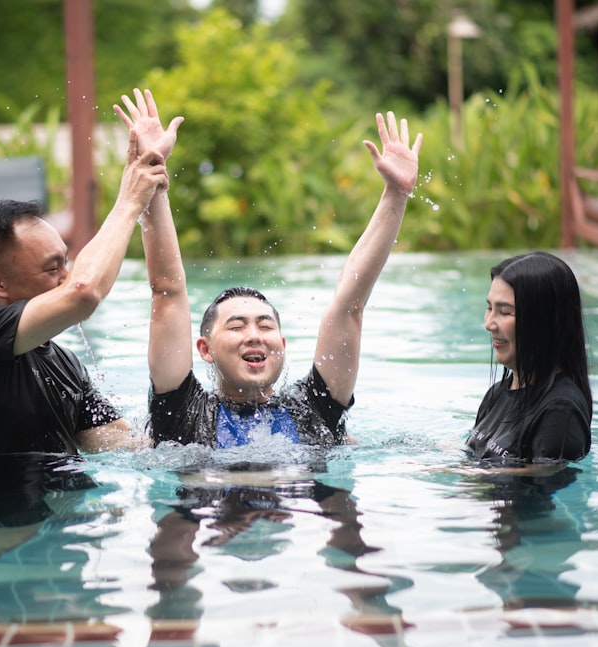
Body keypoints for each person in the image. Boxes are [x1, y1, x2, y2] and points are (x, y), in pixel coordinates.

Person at [114, 88, 422, 448]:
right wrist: (152, 174)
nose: (255, 335)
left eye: (265, 325)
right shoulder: (184, 414)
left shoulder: (313, 411)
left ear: (282, 343)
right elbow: (167, 290)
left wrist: (396, 196)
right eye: (236, 326)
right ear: (204, 349)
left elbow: (349, 304)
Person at [0, 124, 170, 457]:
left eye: (66, 263)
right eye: (52, 268)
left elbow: (128, 448)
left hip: (70, 508)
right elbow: (83, 292)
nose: (67, 277)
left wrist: (154, 188)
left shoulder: (66, 364)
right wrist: (129, 201)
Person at [465, 251, 592, 463]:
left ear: (543, 322)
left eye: (505, 312)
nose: (489, 323)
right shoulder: (496, 394)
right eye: (489, 308)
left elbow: (541, 484)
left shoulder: (560, 410)